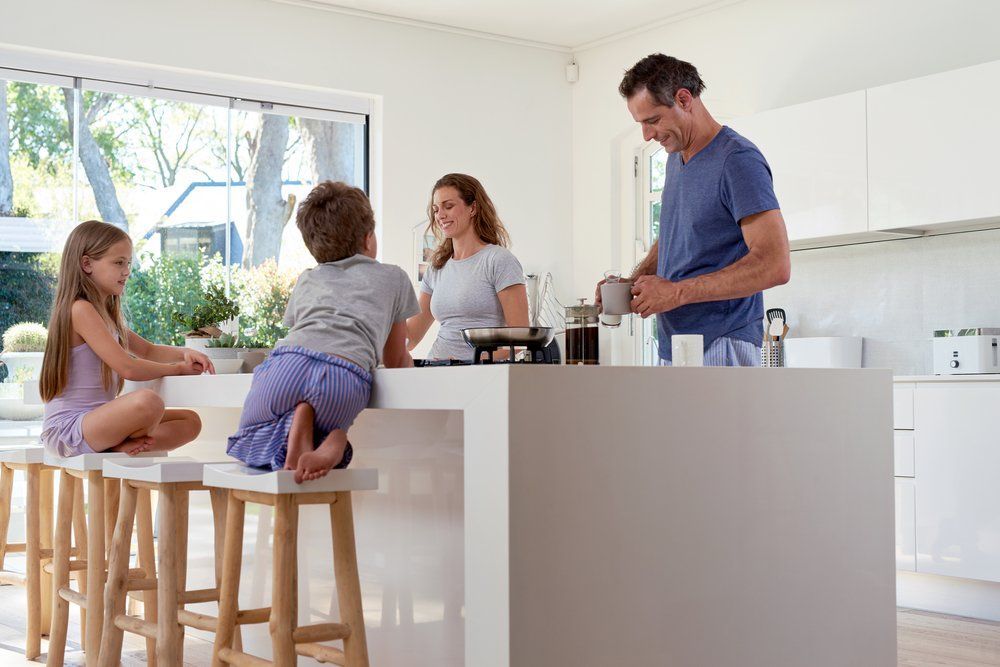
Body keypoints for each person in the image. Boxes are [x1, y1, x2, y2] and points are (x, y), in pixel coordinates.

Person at [599, 54, 791, 366]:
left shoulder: (737, 160)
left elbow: (775, 264)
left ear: (684, 99)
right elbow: (676, 240)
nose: (647, 135)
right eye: (641, 124)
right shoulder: (676, 159)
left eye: (653, 120)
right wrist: (632, 284)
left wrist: (675, 293)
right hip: (675, 346)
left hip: (721, 342)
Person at [227, 181, 419, 482]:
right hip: (344, 374)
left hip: (285, 365)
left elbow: (302, 328)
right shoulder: (393, 277)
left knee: (248, 439)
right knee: (322, 427)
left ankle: (301, 425)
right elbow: (395, 358)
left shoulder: (307, 279)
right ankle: (332, 441)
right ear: (369, 239)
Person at [39, 220, 209, 457]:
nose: (127, 271)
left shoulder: (106, 316)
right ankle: (116, 444)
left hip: (102, 419)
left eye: (128, 263)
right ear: (86, 264)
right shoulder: (80, 309)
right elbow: (128, 367)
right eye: (119, 263)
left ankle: (117, 445)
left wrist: (184, 353)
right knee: (149, 403)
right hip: (70, 429)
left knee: (190, 421)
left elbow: (147, 351)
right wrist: (179, 369)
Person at [406, 173, 529, 361]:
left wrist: (468, 362)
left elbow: (520, 342)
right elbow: (411, 336)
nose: (440, 216)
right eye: (436, 209)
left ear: (473, 208)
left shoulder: (498, 260)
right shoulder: (436, 268)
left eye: (448, 206)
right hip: (437, 368)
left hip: (479, 374)